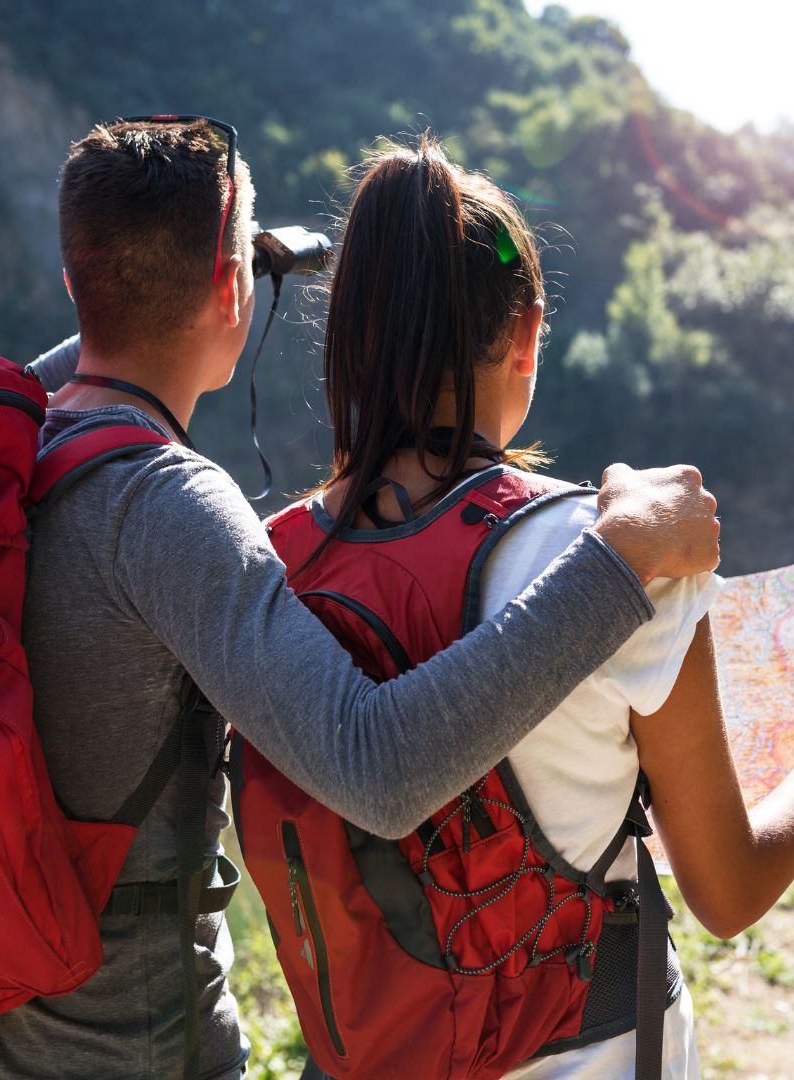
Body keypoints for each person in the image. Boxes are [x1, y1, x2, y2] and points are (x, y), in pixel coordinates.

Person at [0, 119, 721, 1080]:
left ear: (73, 283)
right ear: (234, 287)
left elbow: (115, 333)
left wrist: (191, 282)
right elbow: (378, 770)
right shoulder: (166, 505)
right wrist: (617, 562)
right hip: (127, 1050)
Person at [272, 134, 794, 1079]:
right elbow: (730, 891)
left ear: (349, 339)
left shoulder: (268, 564)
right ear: (526, 332)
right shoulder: (628, 552)